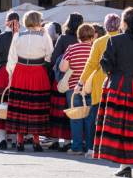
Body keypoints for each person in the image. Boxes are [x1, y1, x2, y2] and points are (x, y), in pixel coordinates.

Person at [93, 7, 133, 178]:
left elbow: (106, 62)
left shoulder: (116, 41)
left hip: (119, 85)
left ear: (124, 23)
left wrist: (113, 75)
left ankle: (125, 166)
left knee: (121, 127)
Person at [6, 11, 53, 152]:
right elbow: (49, 54)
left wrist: (10, 75)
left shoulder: (18, 35)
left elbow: (12, 58)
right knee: (36, 106)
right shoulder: (44, 35)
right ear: (39, 21)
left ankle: (20, 141)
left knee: (20, 105)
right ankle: (36, 141)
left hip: (20, 70)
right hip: (38, 70)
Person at [76, 14, 121, 158]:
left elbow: (91, 65)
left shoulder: (99, 42)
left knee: (95, 118)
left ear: (106, 26)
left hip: (100, 83)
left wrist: (80, 82)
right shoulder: (124, 39)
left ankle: (92, 148)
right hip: (120, 83)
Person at [48, 13, 83, 151]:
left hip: (63, 79)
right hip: (80, 79)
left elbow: (54, 58)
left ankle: (55, 140)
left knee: (58, 110)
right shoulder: (83, 39)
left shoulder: (63, 38)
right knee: (75, 110)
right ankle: (70, 140)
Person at [60, 24, 94, 155]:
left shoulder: (71, 48)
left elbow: (63, 68)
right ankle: (90, 147)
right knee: (90, 118)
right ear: (92, 36)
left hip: (73, 87)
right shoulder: (94, 48)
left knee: (76, 117)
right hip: (90, 87)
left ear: (78, 36)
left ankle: (77, 147)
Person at [0, 12, 20, 148]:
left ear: (6, 22)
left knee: (1, 105)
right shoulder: (21, 36)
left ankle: (2, 139)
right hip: (18, 72)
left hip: (2, 72)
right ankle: (13, 138)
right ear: (18, 22)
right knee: (14, 105)